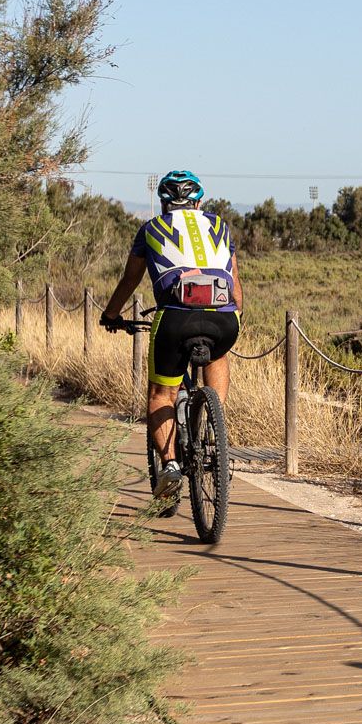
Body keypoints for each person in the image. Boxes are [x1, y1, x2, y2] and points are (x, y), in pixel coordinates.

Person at [101, 169, 242, 500]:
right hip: (224, 320)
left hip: (175, 318)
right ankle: (212, 429)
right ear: (199, 202)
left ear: (165, 203)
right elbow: (234, 282)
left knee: (161, 394)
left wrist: (110, 314)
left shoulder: (150, 228)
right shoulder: (219, 225)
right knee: (218, 353)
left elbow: (130, 280)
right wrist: (237, 316)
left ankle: (170, 467)